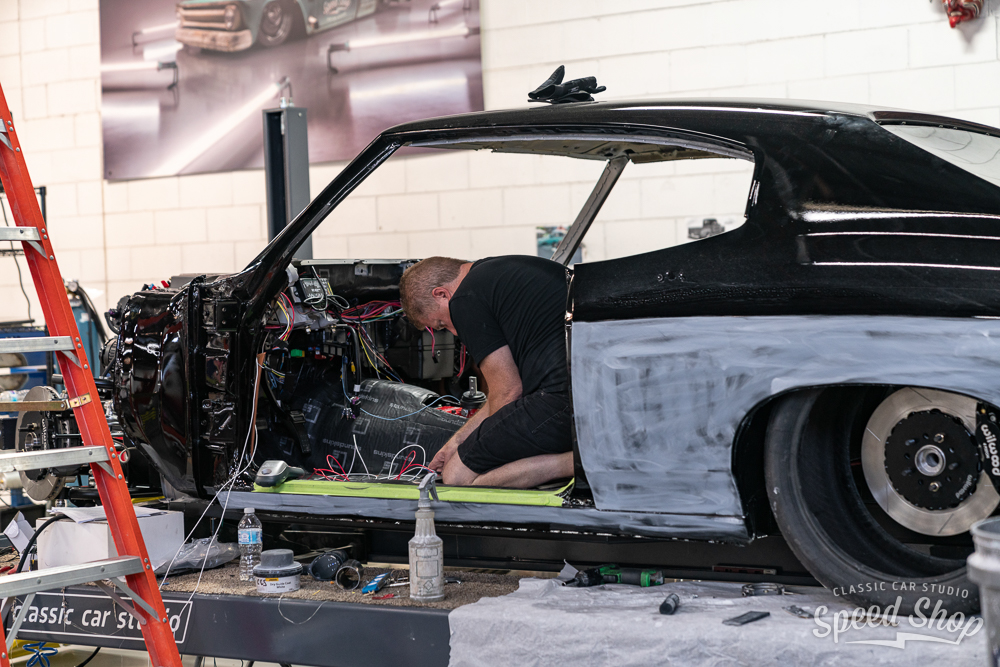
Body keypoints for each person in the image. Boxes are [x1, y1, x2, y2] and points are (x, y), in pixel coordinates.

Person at [399, 255, 574, 488]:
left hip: (561, 403)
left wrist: (471, 454)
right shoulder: (495, 273)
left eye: (442, 324)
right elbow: (502, 394)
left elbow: (509, 392)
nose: (454, 333)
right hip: (588, 398)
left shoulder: (464, 299)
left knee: (457, 477)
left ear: (441, 294)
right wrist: (456, 443)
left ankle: (579, 462)